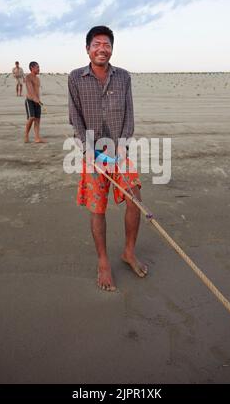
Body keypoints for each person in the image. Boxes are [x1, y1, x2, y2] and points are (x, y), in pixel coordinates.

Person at [68, 25, 148, 292]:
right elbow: (75, 117)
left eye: (107, 45)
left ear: (112, 49)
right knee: (97, 208)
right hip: (92, 152)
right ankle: (103, 261)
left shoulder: (123, 77)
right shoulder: (76, 78)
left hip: (119, 149)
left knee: (135, 198)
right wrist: (87, 150)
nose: (102, 49)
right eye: (97, 44)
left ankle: (128, 252)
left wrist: (123, 145)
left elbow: (130, 115)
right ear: (88, 48)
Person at [24, 61, 46, 143]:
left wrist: (38, 100)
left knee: (37, 120)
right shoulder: (28, 77)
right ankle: (26, 135)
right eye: (37, 67)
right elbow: (30, 89)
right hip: (30, 100)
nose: (39, 69)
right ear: (32, 68)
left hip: (37, 101)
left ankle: (37, 138)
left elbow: (37, 91)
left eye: (39, 67)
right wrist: (34, 98)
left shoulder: (37, 79)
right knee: (31, 118)